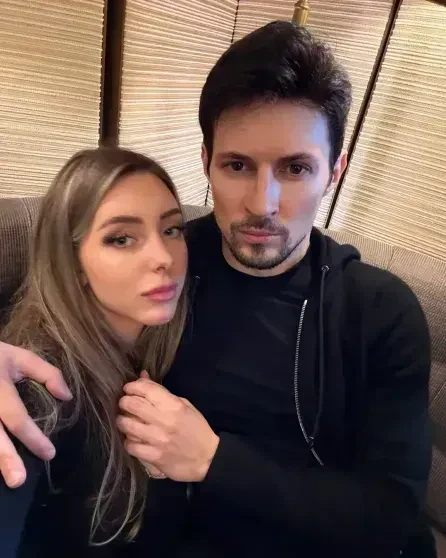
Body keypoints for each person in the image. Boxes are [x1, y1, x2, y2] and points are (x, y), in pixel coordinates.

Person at [0, 21, 434, 558]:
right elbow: (55, 309)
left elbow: (390, 517)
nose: (262, 203)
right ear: (206, 162)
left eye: (296, 168)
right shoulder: (169, 264)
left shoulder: (377, 312)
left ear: (334, 173)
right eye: (237, 166)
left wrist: (214, 461)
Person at [0, 147, 199, 555]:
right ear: (72, 262)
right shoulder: (39, 390)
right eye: (121, 239)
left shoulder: (167, 343)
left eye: (172, 230)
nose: (163, 258)